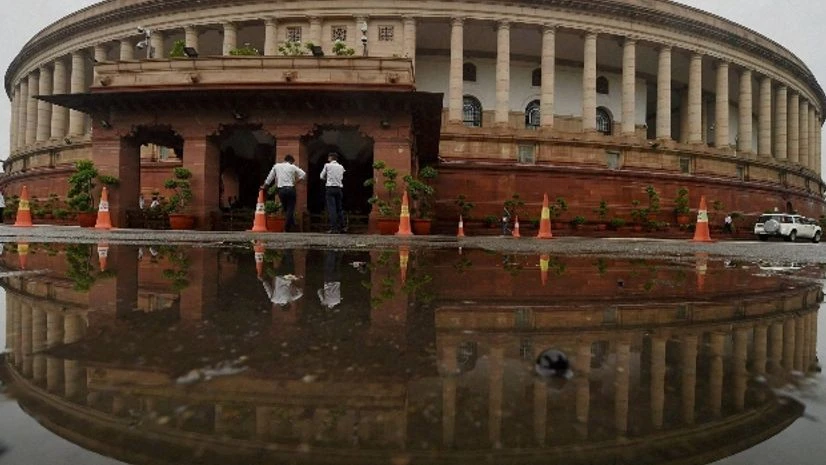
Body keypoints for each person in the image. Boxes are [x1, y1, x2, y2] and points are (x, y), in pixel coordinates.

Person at [261, 154, 306, 232]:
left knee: (286, 208)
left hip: (281, 190)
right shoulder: (292, 167)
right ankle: (287, 227)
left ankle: (293, 224)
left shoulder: (277, 166)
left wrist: (264, 186)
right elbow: (303, 174)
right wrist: (296, 181)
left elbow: (270, 177)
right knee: (290, 208)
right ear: (291, 161)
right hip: (291, 189)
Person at [320, 152, 346, 233]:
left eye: (329, 157)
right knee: (339, 208)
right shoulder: (341, 166)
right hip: (339, 188)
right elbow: (341, 177)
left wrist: (327, 179)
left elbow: (321, 176)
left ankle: (333, 228)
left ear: (331, 158)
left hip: (330, 188)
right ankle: (343, 226)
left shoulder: (327, 165)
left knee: (332, 209)